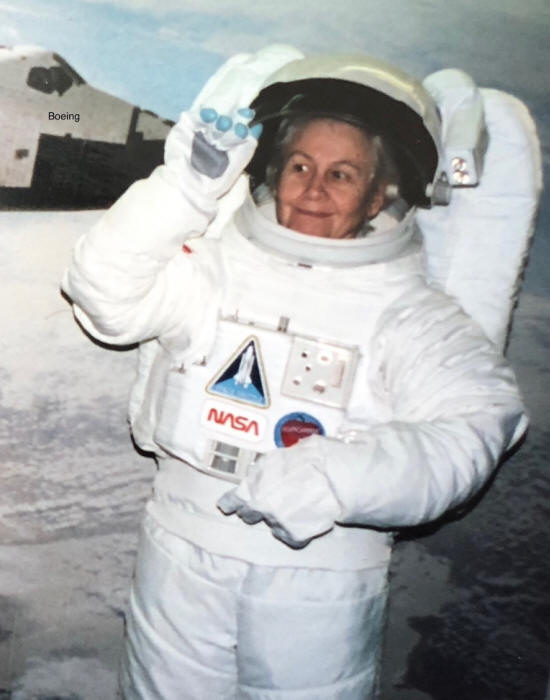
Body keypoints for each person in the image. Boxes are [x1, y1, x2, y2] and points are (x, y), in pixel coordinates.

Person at [62, 46, 527, 699]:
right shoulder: (216, 271)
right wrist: (186, 187)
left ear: (380, 193)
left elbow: (476, 424)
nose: (313, 189)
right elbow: (105, 295)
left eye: (342, 174)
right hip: (179, 552)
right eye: (301, 165)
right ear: (274, 172)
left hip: (318, 579)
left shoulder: (408, 312)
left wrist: (334, 476)